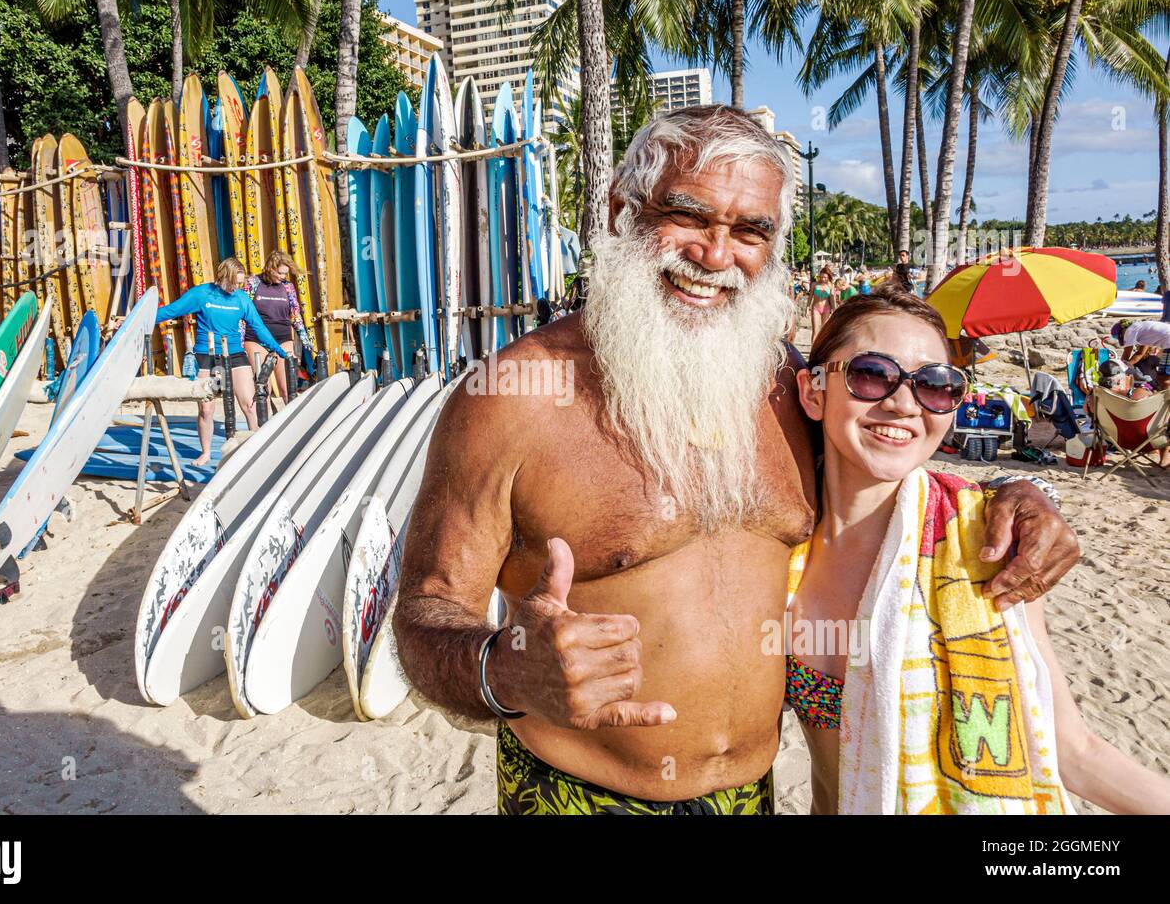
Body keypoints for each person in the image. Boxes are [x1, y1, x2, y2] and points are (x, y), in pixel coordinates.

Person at [392, 105, 1079, 815]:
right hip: (578, 794)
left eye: (751, 231)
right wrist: (503, 669)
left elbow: (891, 463)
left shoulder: (787, 386)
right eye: (688, 216)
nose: (716, 257)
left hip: (754, 796)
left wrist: (1016, 488)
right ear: (621, 210)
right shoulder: (512, 399)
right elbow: (424, 615)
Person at [786, 290, 1170, 813]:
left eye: (934, 385)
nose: (903, 403)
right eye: (871, 374)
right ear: (813, 392)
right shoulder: (781, 549)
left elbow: (1073, 752)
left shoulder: (985, 546)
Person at [156, 256, 290, 466]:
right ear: (223, 277)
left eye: (239, 283)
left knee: (249, 404)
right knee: (206, 409)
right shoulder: (202, 293)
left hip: (235, 354)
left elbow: (259, 328)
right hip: (206, 355)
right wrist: (138, 320)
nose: (236, 287)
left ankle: (256, 450)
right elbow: (171, 311)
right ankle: (206, 452)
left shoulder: (242, 299)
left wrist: (279, 350)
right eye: (234, 282)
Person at [245, 250, 312, 399]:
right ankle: (265, 419)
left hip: (282, 338)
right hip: (256, 340)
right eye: (280, 273)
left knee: (288, 388)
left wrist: (304, 337)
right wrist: (239, 339)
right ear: (270, 268)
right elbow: (243, 312)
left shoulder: (287, 287)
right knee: (263, 388)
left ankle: (292, 419)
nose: (283, 277)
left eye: (285, 274)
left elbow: (295, 314)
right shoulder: (253, 283)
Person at [1111, 317, 1170, 391]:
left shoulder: (1129, 330)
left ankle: (1166, 401)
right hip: (1167, 343)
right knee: (1162, 378)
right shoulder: (1141, 329)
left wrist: (1121, 369)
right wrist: (1127, 366)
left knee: (1163, 379)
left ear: (1121, 333)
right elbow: (1140, 353)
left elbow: (1126, 354)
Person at [810, 267, 837, 339]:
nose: (822, 279)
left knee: (824, 331)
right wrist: (807, 307)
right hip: (816, 308)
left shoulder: (831, 285)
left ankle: (822, 348)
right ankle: (813, 349)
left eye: (825, 277)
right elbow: (810, 296)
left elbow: (832, 299)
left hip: (826, 309)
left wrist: (834, 310)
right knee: (815, 330)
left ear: (828, 277)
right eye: (821, 277)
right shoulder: (814, 284)